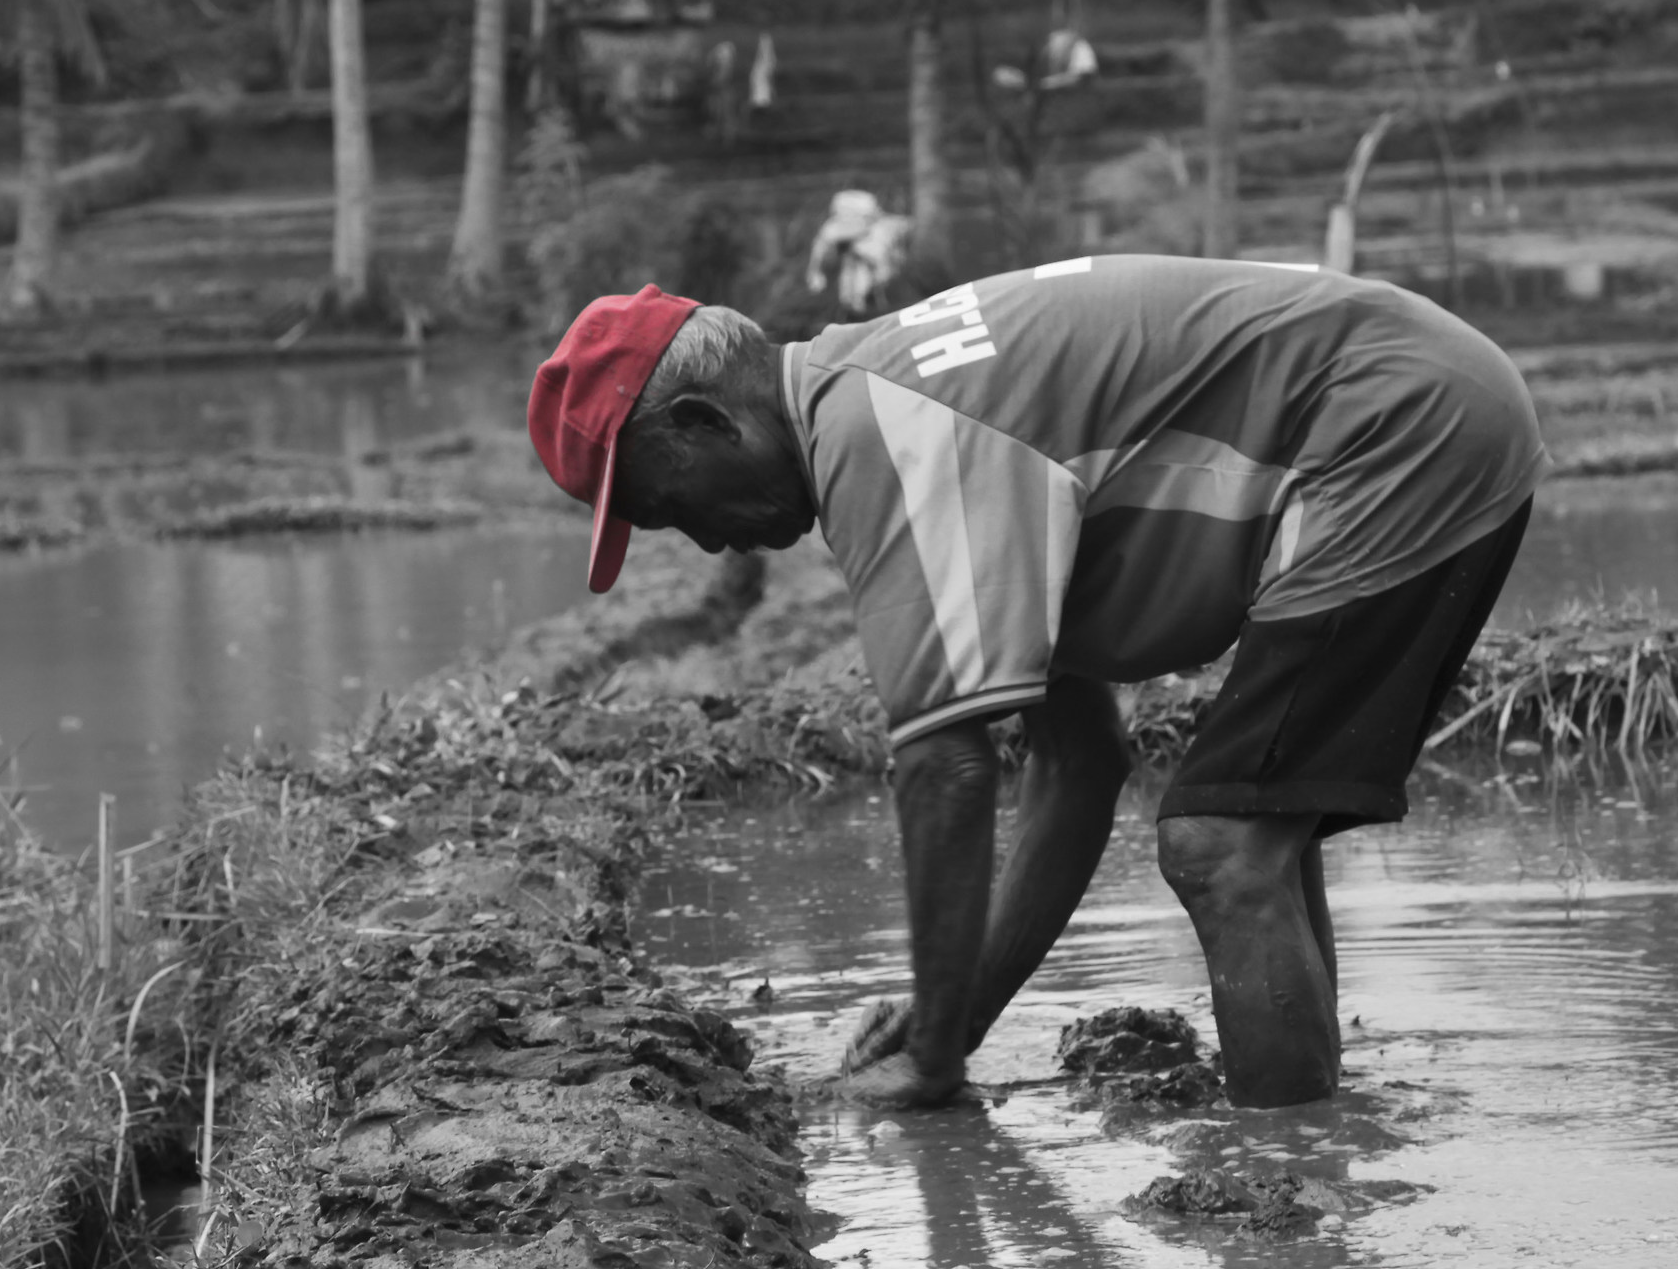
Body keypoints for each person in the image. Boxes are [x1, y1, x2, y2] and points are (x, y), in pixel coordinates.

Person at [526, 257, 1545, 1110]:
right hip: (1420, 403)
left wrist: (931, 1053)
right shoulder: (880, 398)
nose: (705, 541)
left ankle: (1286, 1196)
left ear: (706, 422)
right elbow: (1078, 760)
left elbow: (946, 769)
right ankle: (1311, 1157)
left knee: (1224, 847)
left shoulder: (884, 434)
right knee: (1254, 838)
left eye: (671, 507)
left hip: (1397, 429)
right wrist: (959, 1017)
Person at [804, 189, 912, 315]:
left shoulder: (884, 228)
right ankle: (854, 305)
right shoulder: (832, 230)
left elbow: (882, 259)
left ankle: (861, 304)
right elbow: (818, 258)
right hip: (854, 288)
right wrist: (816, 275)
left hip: (889, 291)